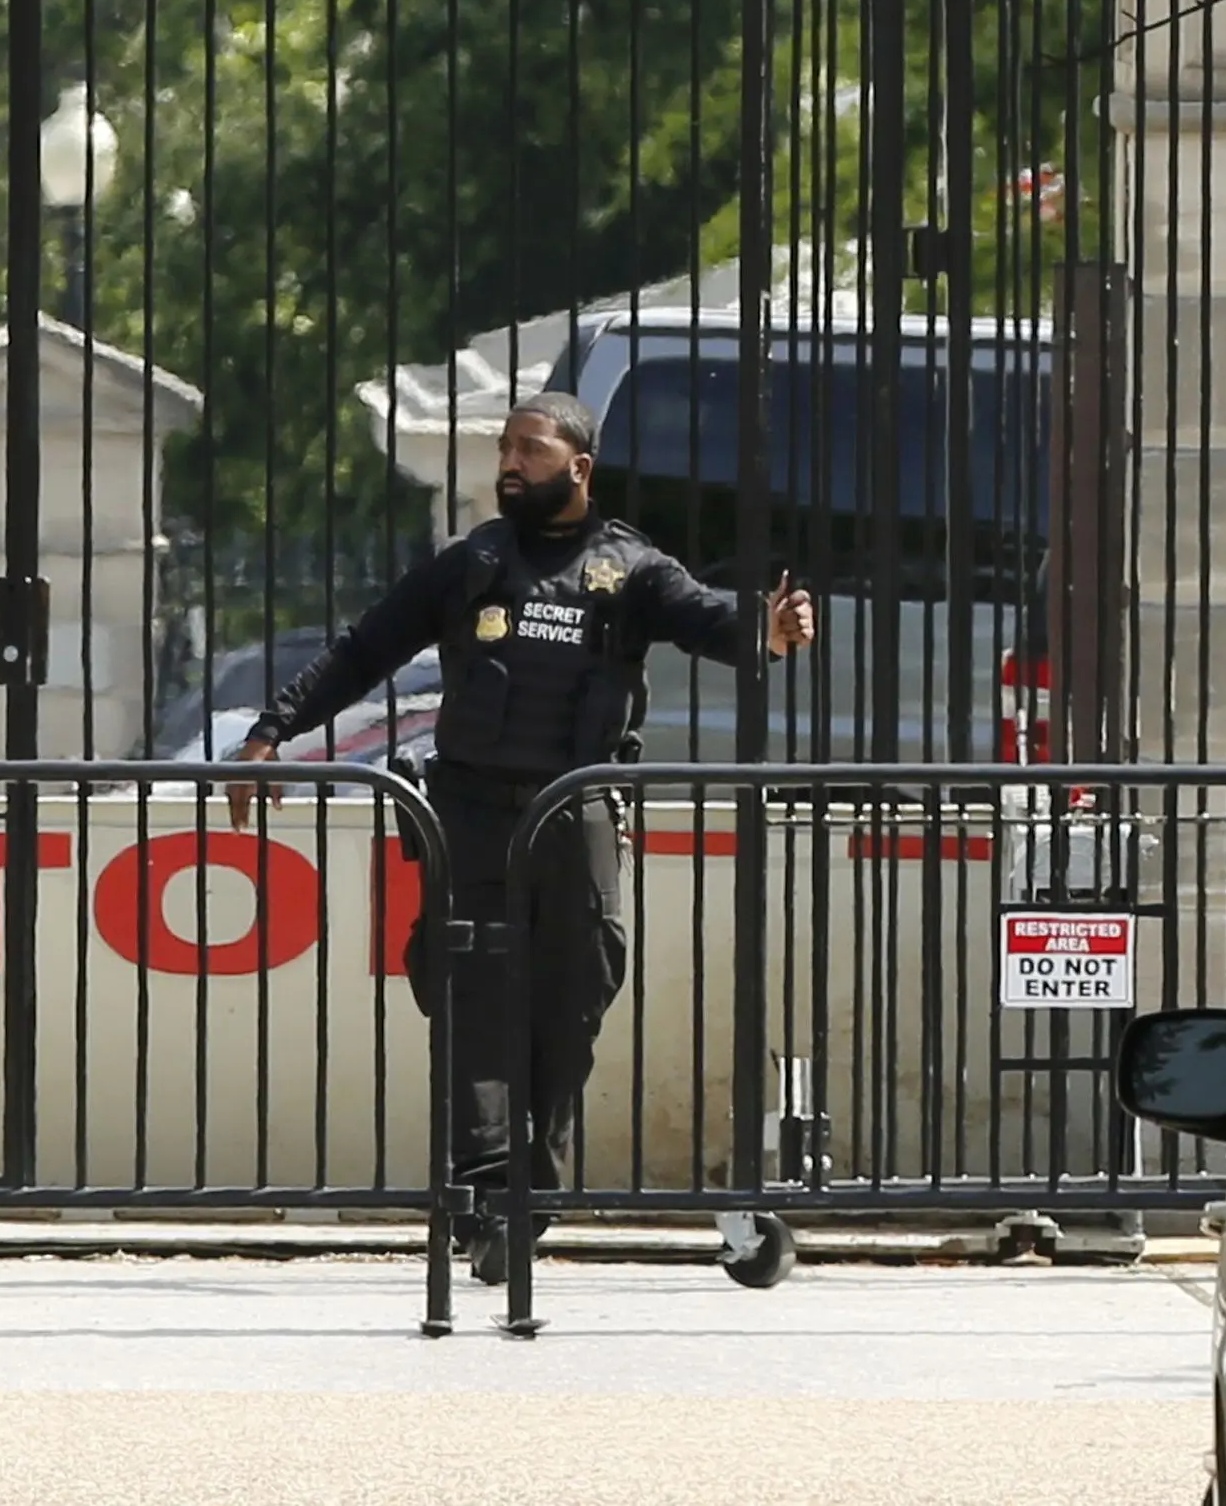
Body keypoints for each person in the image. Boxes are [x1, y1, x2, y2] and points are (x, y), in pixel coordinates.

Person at [229, 391, 814, 1283]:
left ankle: (527, 1181)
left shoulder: (632, 568)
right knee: (472, 993)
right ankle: (489, 1192)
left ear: (578, 468)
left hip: (573, 809)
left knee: (581, 980)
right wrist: (272, 731)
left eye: (531, 450)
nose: (511, 462)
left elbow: (714, 624)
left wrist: (768, 635)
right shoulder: (473, 563)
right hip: (470, 809)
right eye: (505, 447)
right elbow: (363, 648)